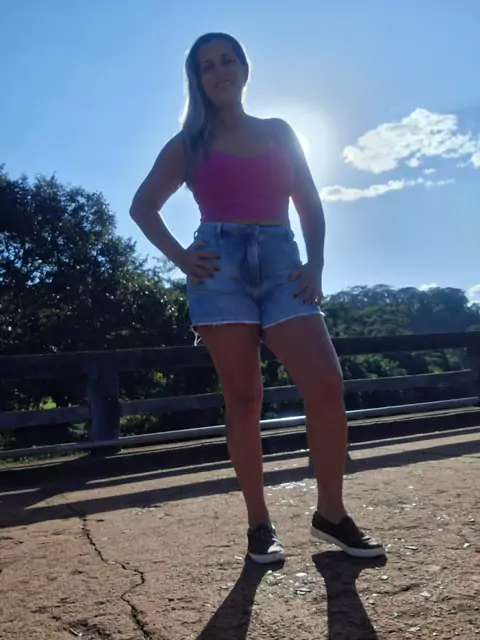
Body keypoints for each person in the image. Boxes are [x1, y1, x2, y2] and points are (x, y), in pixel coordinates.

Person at [130, 32, 385, 564]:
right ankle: (259, 525)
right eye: (207, 66)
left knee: (326, 383)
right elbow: (143, 206)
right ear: (197, 80)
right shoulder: (188, 143)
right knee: (244, 397)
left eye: (227, 60)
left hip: (281, 262)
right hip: (218, 268)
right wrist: (183, 258)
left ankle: (331, 514)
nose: (219, 71)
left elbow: (308, 201)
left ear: (245, 69)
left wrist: (315, 264)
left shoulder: (278, 131)